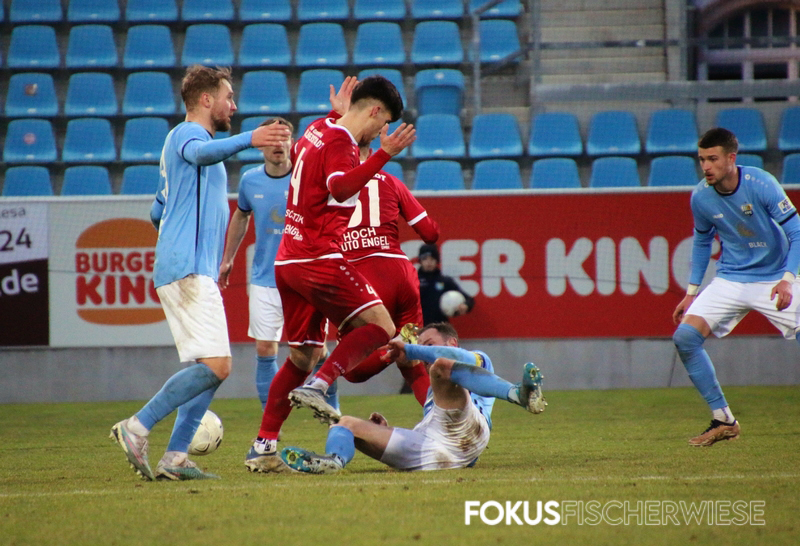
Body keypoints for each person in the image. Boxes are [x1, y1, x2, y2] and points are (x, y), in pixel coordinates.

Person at [110, 65, 291, 481]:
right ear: (206, 100)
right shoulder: (188, 135)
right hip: (188, 269)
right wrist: (250, 139)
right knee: (219, 366)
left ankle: (175, 457)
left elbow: (157, 210)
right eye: (229, 97)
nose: (234, 105)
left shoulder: (189, 147)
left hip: (191, 267)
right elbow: (198, 155)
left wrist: (180, 236)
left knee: (211, 369)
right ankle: (137, 426)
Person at [245, 75, 416, 473]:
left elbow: (315, 151)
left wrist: (337, 114)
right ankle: (320, 386)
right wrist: (384, 155)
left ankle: (263, 447)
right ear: (375, 110)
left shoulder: (318, 127)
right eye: (383, 122)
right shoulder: (343, 142)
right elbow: (339, 187)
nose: (381, 132)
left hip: (288, 261)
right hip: (318, 258)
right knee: (382, 326)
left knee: (301, 356)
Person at [672, 127, 800, 447]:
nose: (706, 166)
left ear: (731, 158)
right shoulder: (701, 196)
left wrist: (788, 280)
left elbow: (797, 233)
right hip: (731, 278)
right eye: (702, 159)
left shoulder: (761, 183)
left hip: (775, 278)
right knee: (685, 337)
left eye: (713, 159)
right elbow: (702, 242)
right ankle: (724, 420)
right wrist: (691, 293)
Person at [279, 322, 547, 473]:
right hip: (429, 447)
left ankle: (517, 394)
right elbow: (433, 418)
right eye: (421, 347)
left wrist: (411, 349)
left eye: (428, 345)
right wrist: (381, 431)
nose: (424, 353)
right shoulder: (435, 391)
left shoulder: (478, 360)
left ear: (452, 343)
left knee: (442, 366)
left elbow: (449, 360)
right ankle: (333, 461)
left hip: (467, 435)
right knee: (345, 423)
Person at [217, 117, 339, 412]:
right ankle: (270, 417)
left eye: (284, 138)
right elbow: (241, 215)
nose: (278, 144)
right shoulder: (250, 181)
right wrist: (228, 258)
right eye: (272, 139)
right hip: (265, 277)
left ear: (292, 143)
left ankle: (333, 409)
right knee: (264, 348)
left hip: (303, 277)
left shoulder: (307, 176)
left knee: (316, 350)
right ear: (261, 146)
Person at [339, 143, 441, 406]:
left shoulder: (332, 185)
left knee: (350, 369)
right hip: (400, 273)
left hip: (359, 275)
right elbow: (430, 234)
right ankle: (444, 420)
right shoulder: (392, 182)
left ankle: (394, 348)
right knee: (412, 364)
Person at [418, 243, 475, 325]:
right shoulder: (413, 281)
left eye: (432, 259)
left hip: (440, 326)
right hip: (418, 326)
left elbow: (469, 299)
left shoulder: (445, 281)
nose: (428, 262)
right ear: (420, 261)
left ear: (437, 261)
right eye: (425, 259)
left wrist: (466, 305)